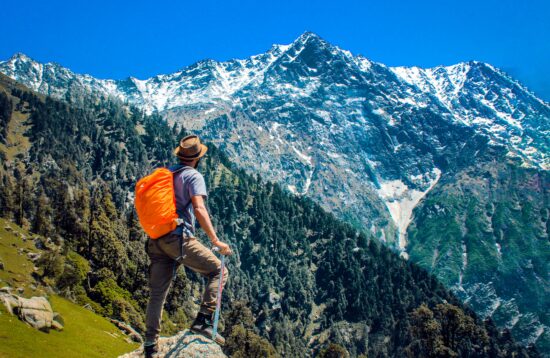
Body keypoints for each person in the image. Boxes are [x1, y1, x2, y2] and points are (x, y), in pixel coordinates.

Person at [143, 135, 231, 357]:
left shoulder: (168, 174)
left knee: (157, 294)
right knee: (218, 271)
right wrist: (215, 240)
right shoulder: (193, 175)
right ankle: (203, 320)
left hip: (157, 239)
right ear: (197, 158)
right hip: (179, 239)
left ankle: (150, 345)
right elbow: (199, 208)